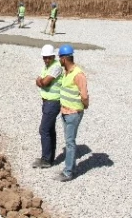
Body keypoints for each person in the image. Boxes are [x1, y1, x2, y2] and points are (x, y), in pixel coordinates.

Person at [55, 44, 89, 182]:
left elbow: (84, 95)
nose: (59, 60)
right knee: (69, 141)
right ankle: (70, 167)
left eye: (59, 57)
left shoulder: (78, 74)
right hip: (65, 111)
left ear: (64, 59)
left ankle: (68, 172)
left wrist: (84, 106)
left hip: (73, 112)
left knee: (70, 142)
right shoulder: (67, 72)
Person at [32, 44, 64, 169]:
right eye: (44, 58)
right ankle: (50, 158)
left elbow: (44, 82)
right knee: (50, 130)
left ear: (53, 56)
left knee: (44, 129)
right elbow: (38, 80)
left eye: (48, 58)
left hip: (53, 102)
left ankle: (46, 159)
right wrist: (42, 82)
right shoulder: (47, 67)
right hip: (46, 101)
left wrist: (42, 82)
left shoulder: (56, 67)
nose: (46, 60)